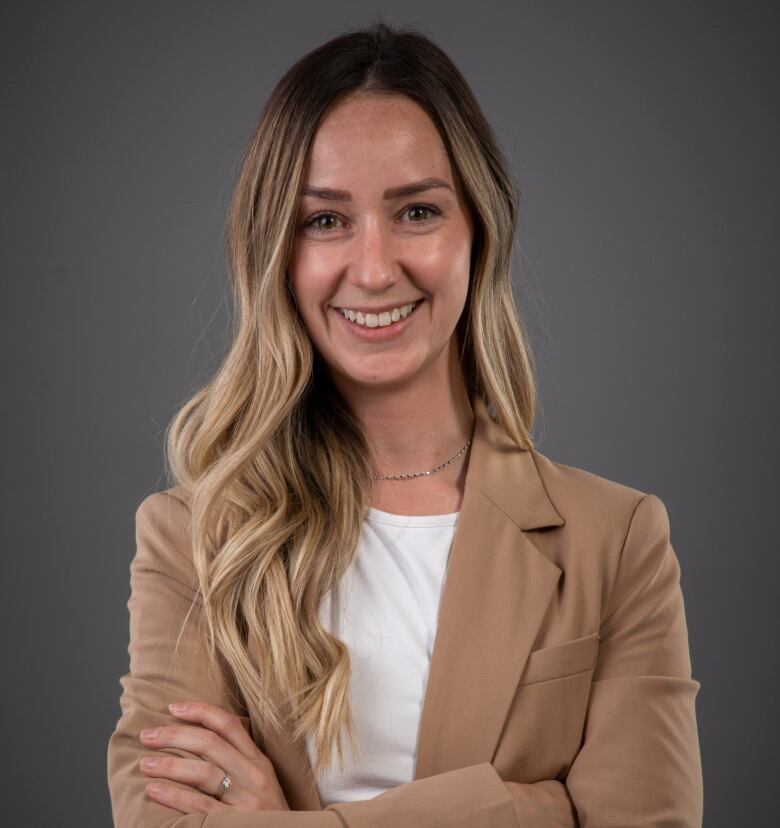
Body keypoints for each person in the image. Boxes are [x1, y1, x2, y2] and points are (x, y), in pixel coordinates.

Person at [106, 21, 703, 827]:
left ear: (478, 234)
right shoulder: (192, 540)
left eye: (417, 211)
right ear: (275, 251)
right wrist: (525, 809)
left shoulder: (618, 540)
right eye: (325, 221)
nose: (376, 267)